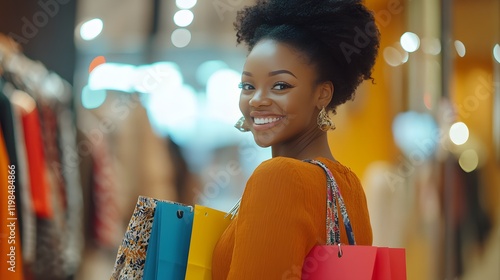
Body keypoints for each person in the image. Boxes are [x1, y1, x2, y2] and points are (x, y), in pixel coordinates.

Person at [212, 0, 380, 278]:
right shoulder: (347, 185)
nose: (257, 100)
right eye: (248, 85)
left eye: (280, 85)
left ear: (322, 94)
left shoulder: (278, 176)